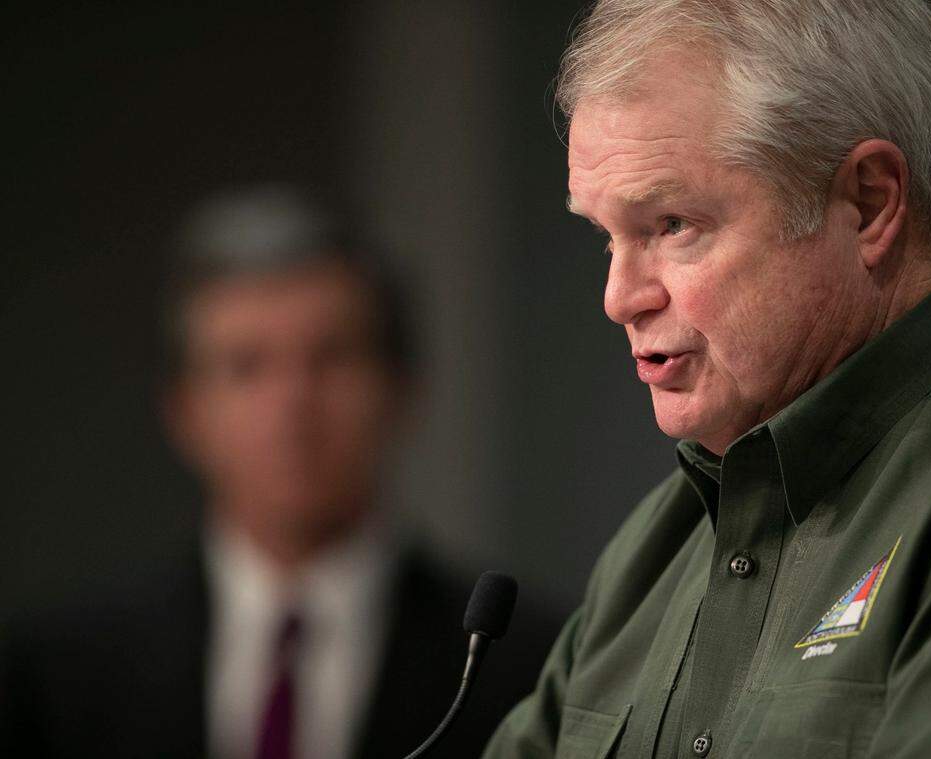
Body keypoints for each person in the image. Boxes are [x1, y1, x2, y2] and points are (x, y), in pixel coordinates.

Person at [483, 1, 931, 757]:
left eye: (671, 225)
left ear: (868, 204)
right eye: (607, 236)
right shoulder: (652, 549)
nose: (619, 296)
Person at [0, 185, 557, 759]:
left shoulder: (528, 669)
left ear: (400, 391)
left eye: (331, 357)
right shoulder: (56, 675)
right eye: (247, 367)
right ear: (184, 411)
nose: (292, 405)